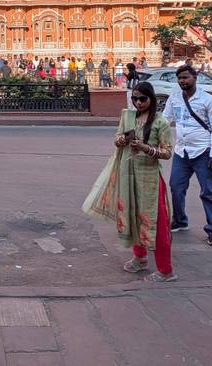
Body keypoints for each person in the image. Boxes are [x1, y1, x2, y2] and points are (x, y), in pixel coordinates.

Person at [83, 82, 176, 282]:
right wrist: (120, 141)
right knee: (132, 216)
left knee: (155, 223)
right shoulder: (128, 117)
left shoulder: (160, 122)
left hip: (149, 179)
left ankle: (166, 270)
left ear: (152, 99)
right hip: (128, 174)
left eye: (143, 99)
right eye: (135, 98)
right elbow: (117, 137)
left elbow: (167, 153)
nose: (138, 103)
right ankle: (140, 258)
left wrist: (145, 148)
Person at [162, 65, 212, 245]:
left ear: (195, 78)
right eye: (179, 78)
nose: (182, 81)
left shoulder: (206, 100)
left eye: (185, 77)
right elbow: (165, 121)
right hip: (181, 151)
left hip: (203, 151)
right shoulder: (174, 98)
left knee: (208, 192)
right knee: (176, 186)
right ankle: (180, 220)